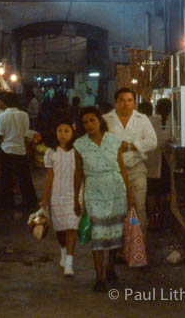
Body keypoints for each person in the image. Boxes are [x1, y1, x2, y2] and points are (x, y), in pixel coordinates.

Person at [74, 107, 133, 292]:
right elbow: (78, 173)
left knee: (114, 231)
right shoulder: (79, 145)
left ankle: (111, 267)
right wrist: (77, 198)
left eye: (92, 120)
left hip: (116, 190)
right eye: (85, 122)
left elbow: (122, 169)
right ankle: (99, 277)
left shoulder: (115, 141)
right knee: (98, 234)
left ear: (99, 120)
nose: (89, 125)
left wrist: (130, 195)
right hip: (94, 191)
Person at [103, 88, 157, 239]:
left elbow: (152, 141)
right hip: (112, 171)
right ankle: (119, 248)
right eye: (122, 100)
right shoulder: (106, 119)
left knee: (138, 208)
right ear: (116, 102)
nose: (126, 104)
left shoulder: (142, 119)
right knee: (116, 210)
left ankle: (139, 246)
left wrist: (130, 146)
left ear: (134, 103)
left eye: (129, 100)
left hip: (136, 169)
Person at [40, 119, 81, 277]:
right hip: (57, 194)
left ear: (72, 132)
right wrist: (45, 198)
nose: (62, 134)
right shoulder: (51, 152)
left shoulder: (77, 150)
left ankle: (69, 262)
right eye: (59, 131)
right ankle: (63, 251)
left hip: (74, 193)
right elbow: (49, 176)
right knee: (59, 228)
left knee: (72, 226)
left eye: (66, 131)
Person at [0, 91, 38, 209]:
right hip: (20, 150)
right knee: (24, 178)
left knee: (6, 178)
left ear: (5, 102)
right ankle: (29, 202)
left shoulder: (2, 116)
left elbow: (0, 136)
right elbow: (26, 135)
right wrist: (28, 149)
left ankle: (7, 203)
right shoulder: (24, 115)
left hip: (6, 150)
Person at [147, 98, 172, 230]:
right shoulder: (170, 122)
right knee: (163, 191)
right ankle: (161, 217)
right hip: (164, 161)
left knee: (152, 192)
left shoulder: (150, 120)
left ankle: (151, 218)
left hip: (151, 160)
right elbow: (168, 138)